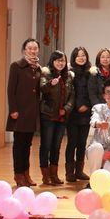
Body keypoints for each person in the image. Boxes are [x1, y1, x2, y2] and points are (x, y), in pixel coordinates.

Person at [6, 38, 41, 188]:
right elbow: (11, 90)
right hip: (19, 112)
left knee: (27, 145)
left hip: (32, 113)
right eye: (29, 48)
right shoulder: (16, 66)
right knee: (19, 145)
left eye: (35, 48)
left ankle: (26, 174)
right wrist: (13, 109)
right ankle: (18, 174)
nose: (32, 51)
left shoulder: (38, 68)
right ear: (24, 50)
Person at [39, 51, 74, 186]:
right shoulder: (46, 73)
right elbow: (42, 89)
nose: (60, 63)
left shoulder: (68, 75)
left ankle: (54, 175)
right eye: (58, 60)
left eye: (63, 60)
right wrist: (50, 84)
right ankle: (45, 176)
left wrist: (66, 109)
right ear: (52, 61)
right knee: (46, 145)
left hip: (61, 116)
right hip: (48, 115)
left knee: (56, 146)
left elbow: (72, 96)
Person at [65, 47, 92, 182]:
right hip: (73, 113)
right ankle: (69, 172)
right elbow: (69, 93)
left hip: (86, 112)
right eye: (78, 56)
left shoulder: (90, 73)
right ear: (73, 58)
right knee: (72, 142)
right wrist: (77, 106)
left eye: (83, 55)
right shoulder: (69, 73)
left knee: (82, 142)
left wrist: (86, 105)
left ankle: (79, 171)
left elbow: (92, 92)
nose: (81, 58)